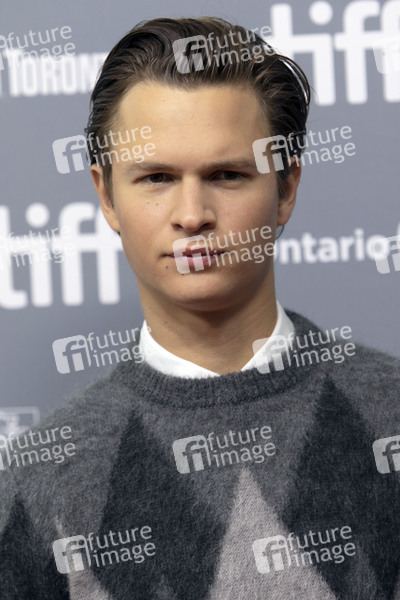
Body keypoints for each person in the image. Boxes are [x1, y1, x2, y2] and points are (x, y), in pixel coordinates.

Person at [1, 16, 400, 600]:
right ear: (106, 195)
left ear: (286, 188)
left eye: (227, 175)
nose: (192, 215)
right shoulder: (36, 480)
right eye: (157, 177)